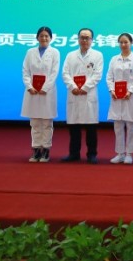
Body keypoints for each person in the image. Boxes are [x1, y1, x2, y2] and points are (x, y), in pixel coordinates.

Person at [61, 27, 104, 164]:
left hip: (88, 94)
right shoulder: (70, 55)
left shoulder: (97, 55)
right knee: (74, 128)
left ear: (92, 40)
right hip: (74, 93)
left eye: (87, 38)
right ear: (78, 39)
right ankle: (74, 154)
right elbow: (65, 73)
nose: (84, 40)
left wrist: (85, 87)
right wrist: (73, 87)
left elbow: (97, 75)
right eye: (82, 37)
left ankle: (92, 154)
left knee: (91, 128)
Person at [21, 26, 60, 163]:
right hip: (32, 92)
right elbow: (25, 71)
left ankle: (46, 150)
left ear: (51, 38)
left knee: (47, 122)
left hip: (47, 92)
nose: (44, 38)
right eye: (41, 36)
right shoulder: (30, 52)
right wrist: (29, 86)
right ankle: (36, 149)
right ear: (37, 37)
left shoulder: (55, 52)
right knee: (35, 122)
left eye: (46, 36)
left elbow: (54, 73)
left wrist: (45, 87)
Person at [106, 33, 133, 165]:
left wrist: (130, 91)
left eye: (126, 42)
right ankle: (120, 153)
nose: (123, 44)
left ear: (131, 43)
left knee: (131, 126)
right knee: (118, 126)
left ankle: (129, 154)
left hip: (130, 96)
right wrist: (111, 90)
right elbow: (109, 77)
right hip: (116, 96)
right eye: (121, 42)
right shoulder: (114, 59)